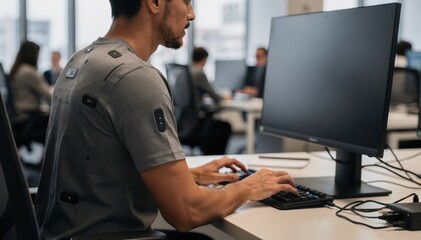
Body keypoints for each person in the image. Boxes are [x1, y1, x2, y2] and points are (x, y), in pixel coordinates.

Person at [35, 1, 298, 239]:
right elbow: (186, 212)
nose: (192, 14)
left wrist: (188, 176)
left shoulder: (82, 59)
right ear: (155, 2)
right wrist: (249, 186)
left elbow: (96, 168)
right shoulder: (135, 76)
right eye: (186, 1)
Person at [188, 46, 232, 155]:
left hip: (184, 122)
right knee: (225, 127)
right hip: (193, 124)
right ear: (204, 59)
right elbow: (214, 96)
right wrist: (225, 97)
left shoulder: (188, 71)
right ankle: (214, 158)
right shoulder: (199, 73)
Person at [8, 40, 51, 140]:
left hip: (19, 115)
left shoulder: (17, 69)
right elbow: (49, 96)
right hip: (28, 117)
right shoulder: (28, 71)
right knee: (57, 122)